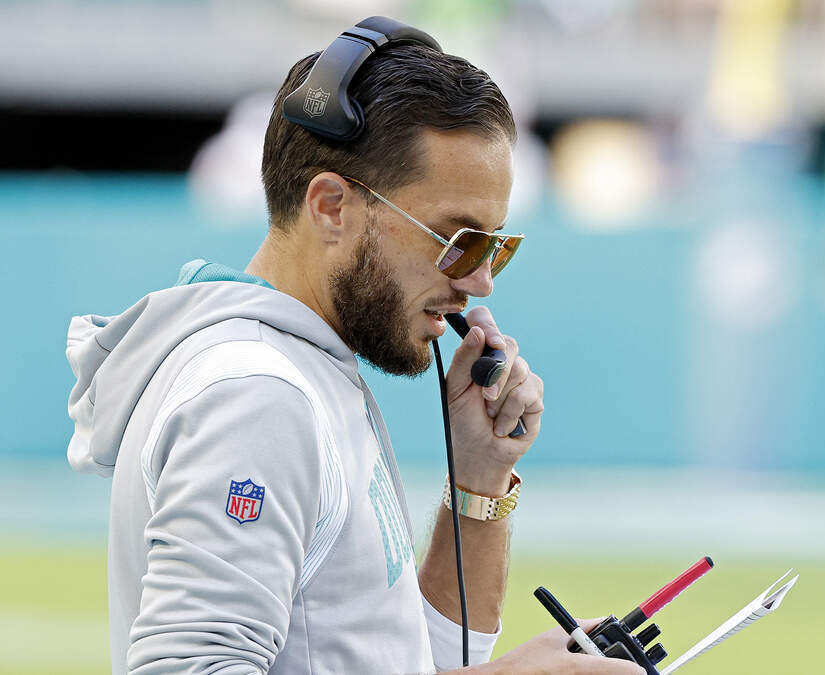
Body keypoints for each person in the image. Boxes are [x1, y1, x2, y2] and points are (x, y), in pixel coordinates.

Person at [64, 24, 642, 675]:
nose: (479, 281)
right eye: (458, 240)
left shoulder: (306, 369)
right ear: (333, 206)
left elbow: (409, 660)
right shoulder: (257, 397)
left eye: (494, 247)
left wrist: (477, 484)